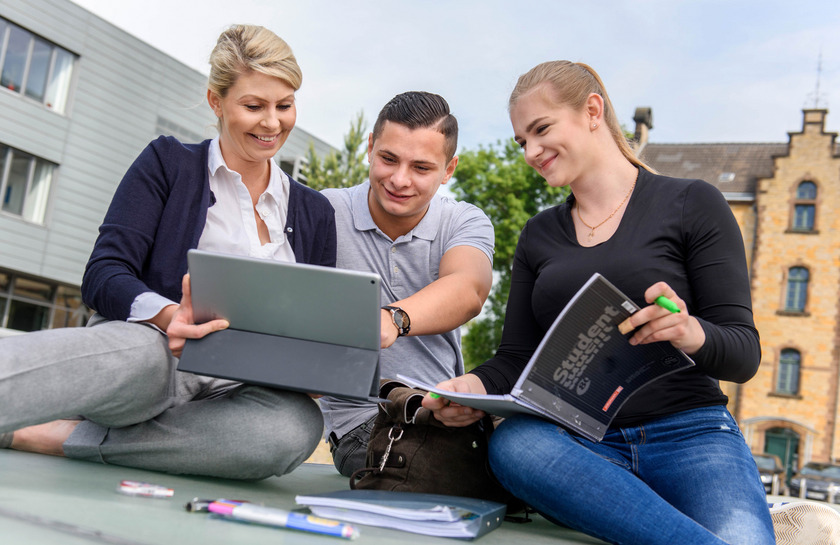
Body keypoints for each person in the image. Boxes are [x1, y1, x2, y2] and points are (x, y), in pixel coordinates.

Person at [423, 60, 776, 544]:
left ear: (592, 111)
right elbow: (516, 359)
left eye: (541, 129)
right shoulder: (538, 235)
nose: (530, 151)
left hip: (693, 437)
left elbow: (744, 354)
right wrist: (472, 386)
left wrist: (691, 332)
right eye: (521, 141)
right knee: (514, 445)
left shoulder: (693, 203)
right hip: (577, 444)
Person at [0, 25, 336, 480]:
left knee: (293, 428)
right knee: (133, 354)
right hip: (156, 356)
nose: (272, 123)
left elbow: (314, 325)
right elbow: (104, 274)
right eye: (254, 106)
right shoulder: (168, 162)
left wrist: (318, 368)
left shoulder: (315, 211)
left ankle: (62, 437)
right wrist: (168, 317)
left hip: (242, 392)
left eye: (285, 105)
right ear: (216, 102)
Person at [319, 91, 494, 477]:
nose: (400, 180)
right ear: (369, 147)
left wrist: (391, 318)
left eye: (421, 167)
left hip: (448, 412)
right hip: (366, 421)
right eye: (388, 159)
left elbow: (469, 289)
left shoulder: (464, 221)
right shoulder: (323, 212)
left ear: (449, 170)